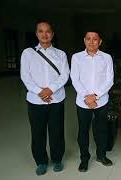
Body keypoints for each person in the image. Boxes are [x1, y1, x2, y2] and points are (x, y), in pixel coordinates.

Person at [20, 21, 69, 175]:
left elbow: (65, 75)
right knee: (38, 132)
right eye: (41, 31)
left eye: (48, 31)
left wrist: (50, 90)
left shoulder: (60, 54)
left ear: (52, 34)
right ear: (36, 34)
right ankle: (41, 161)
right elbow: (25, 76)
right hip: (36, 100)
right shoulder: (28, 53)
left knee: (57, 131)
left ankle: (57, 159)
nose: (44, 34)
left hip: (56, 99)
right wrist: (40, 92)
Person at [70, 30, 114, 172]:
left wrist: (95, 96)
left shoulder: (107, 58)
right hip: (83, 102)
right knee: (83, 131)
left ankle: (101, 155)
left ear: (100, 42)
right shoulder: (76, 58)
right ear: (84, 40)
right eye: (88, 38)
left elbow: (109, 80)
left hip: (101, 101)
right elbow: (75, 79)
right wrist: (87, 97)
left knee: (102, 130)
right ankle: (84, 158)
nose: (91, 41)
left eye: (94, 39)